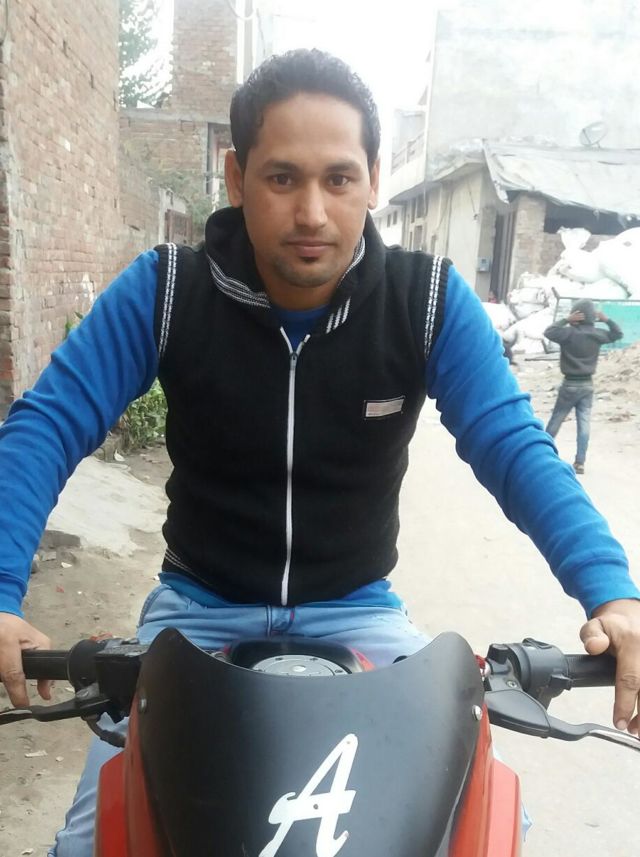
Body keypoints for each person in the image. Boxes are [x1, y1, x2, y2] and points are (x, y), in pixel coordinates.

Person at [0, 50, 639, 855]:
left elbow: (513, 444)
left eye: (339, 179)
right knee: (94, 840)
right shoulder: (166, 292)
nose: (312, 212)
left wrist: (613, 592)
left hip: (359, 609)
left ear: (374, 178)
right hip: (194, 612)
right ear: (237, 178)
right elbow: (48, 423)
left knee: (479, 823)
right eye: (282, 178)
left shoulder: (426, 301)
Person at [544, 298, 623, 474]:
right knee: (584, 423)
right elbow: (618, 334)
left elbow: (549, 332)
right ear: (592, 316)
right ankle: (580, 462)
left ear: (576, 315)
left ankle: (541, 453)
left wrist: (566, 319)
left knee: (557, 419)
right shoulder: (597, 334)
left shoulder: (567, 333)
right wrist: (606, 320)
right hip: (587, 385)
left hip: (569, 384)